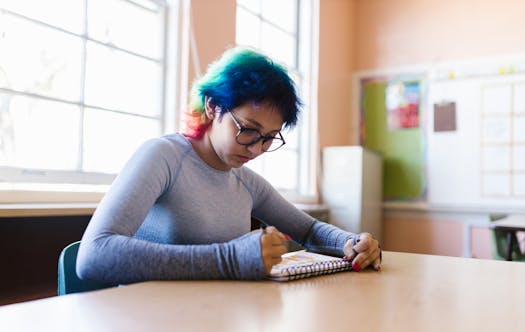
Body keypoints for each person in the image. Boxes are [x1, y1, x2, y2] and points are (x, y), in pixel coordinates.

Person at [76, 46, 381, 284]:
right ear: (212, 106)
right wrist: (228, 260)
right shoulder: (163, 156)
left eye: (269, 138)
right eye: (248, 129)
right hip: (146, 323)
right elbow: (93, 255)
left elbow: (310, 230)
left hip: (210, 319)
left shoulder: (245, 180)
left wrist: (351, 242)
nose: (256, 148)